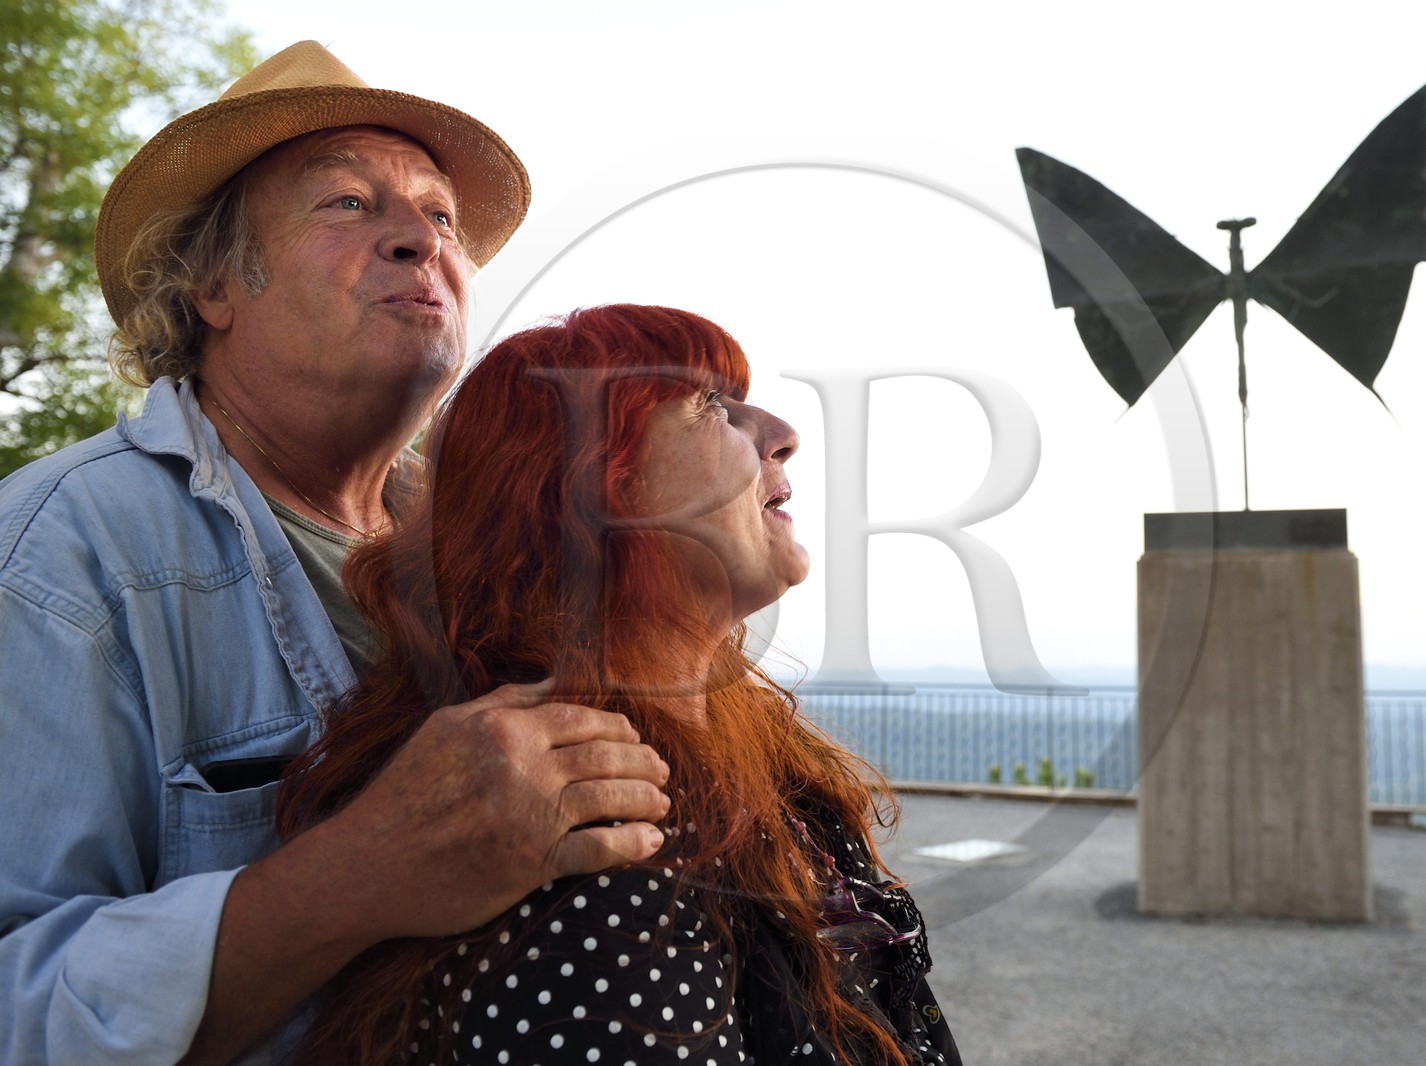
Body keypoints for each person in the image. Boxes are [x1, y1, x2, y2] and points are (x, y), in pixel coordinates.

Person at [0, 43, 670, 1065]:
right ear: (212, 284)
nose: (421, 238)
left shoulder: (495, 547)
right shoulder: (57, 554)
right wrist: (358, 873)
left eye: (441, 215)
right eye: (349, 203)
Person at [275, 305, 962, 1065]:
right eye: (710, 405)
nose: (782, 432)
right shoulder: (586, 825)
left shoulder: (740, 744)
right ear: (591, 492)